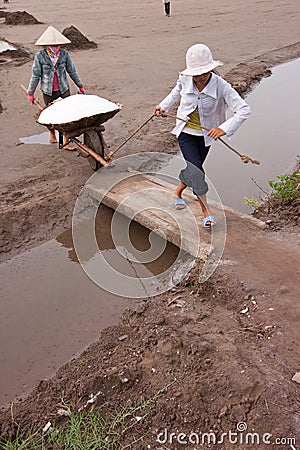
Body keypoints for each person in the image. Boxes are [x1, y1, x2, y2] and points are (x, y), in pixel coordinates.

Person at [154, 44, 251, 227]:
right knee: (197, 171)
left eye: (204, 73)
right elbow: (175, 93)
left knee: (193, 169)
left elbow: (244, 110)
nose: (199, 77)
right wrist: (163, 106)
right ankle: (206, 212)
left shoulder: (221, 86)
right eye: (196, 74)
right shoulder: (184, 79)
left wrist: (224, 128)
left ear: (211, 69)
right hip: (185, 133)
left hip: (206, 136)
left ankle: (177, 193)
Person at [27, 26, 85, 150]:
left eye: (58, 45)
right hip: (48, 91)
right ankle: (52, 134)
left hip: (63, 89)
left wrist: (80, 85)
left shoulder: (64, 55)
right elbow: (36, 75)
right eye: (53, 46)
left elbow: (72, 71)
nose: (56, 48)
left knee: (67, 115)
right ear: (47, 45)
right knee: (50, 115)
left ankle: (65, 141)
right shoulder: (40, 56)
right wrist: (30, 93)